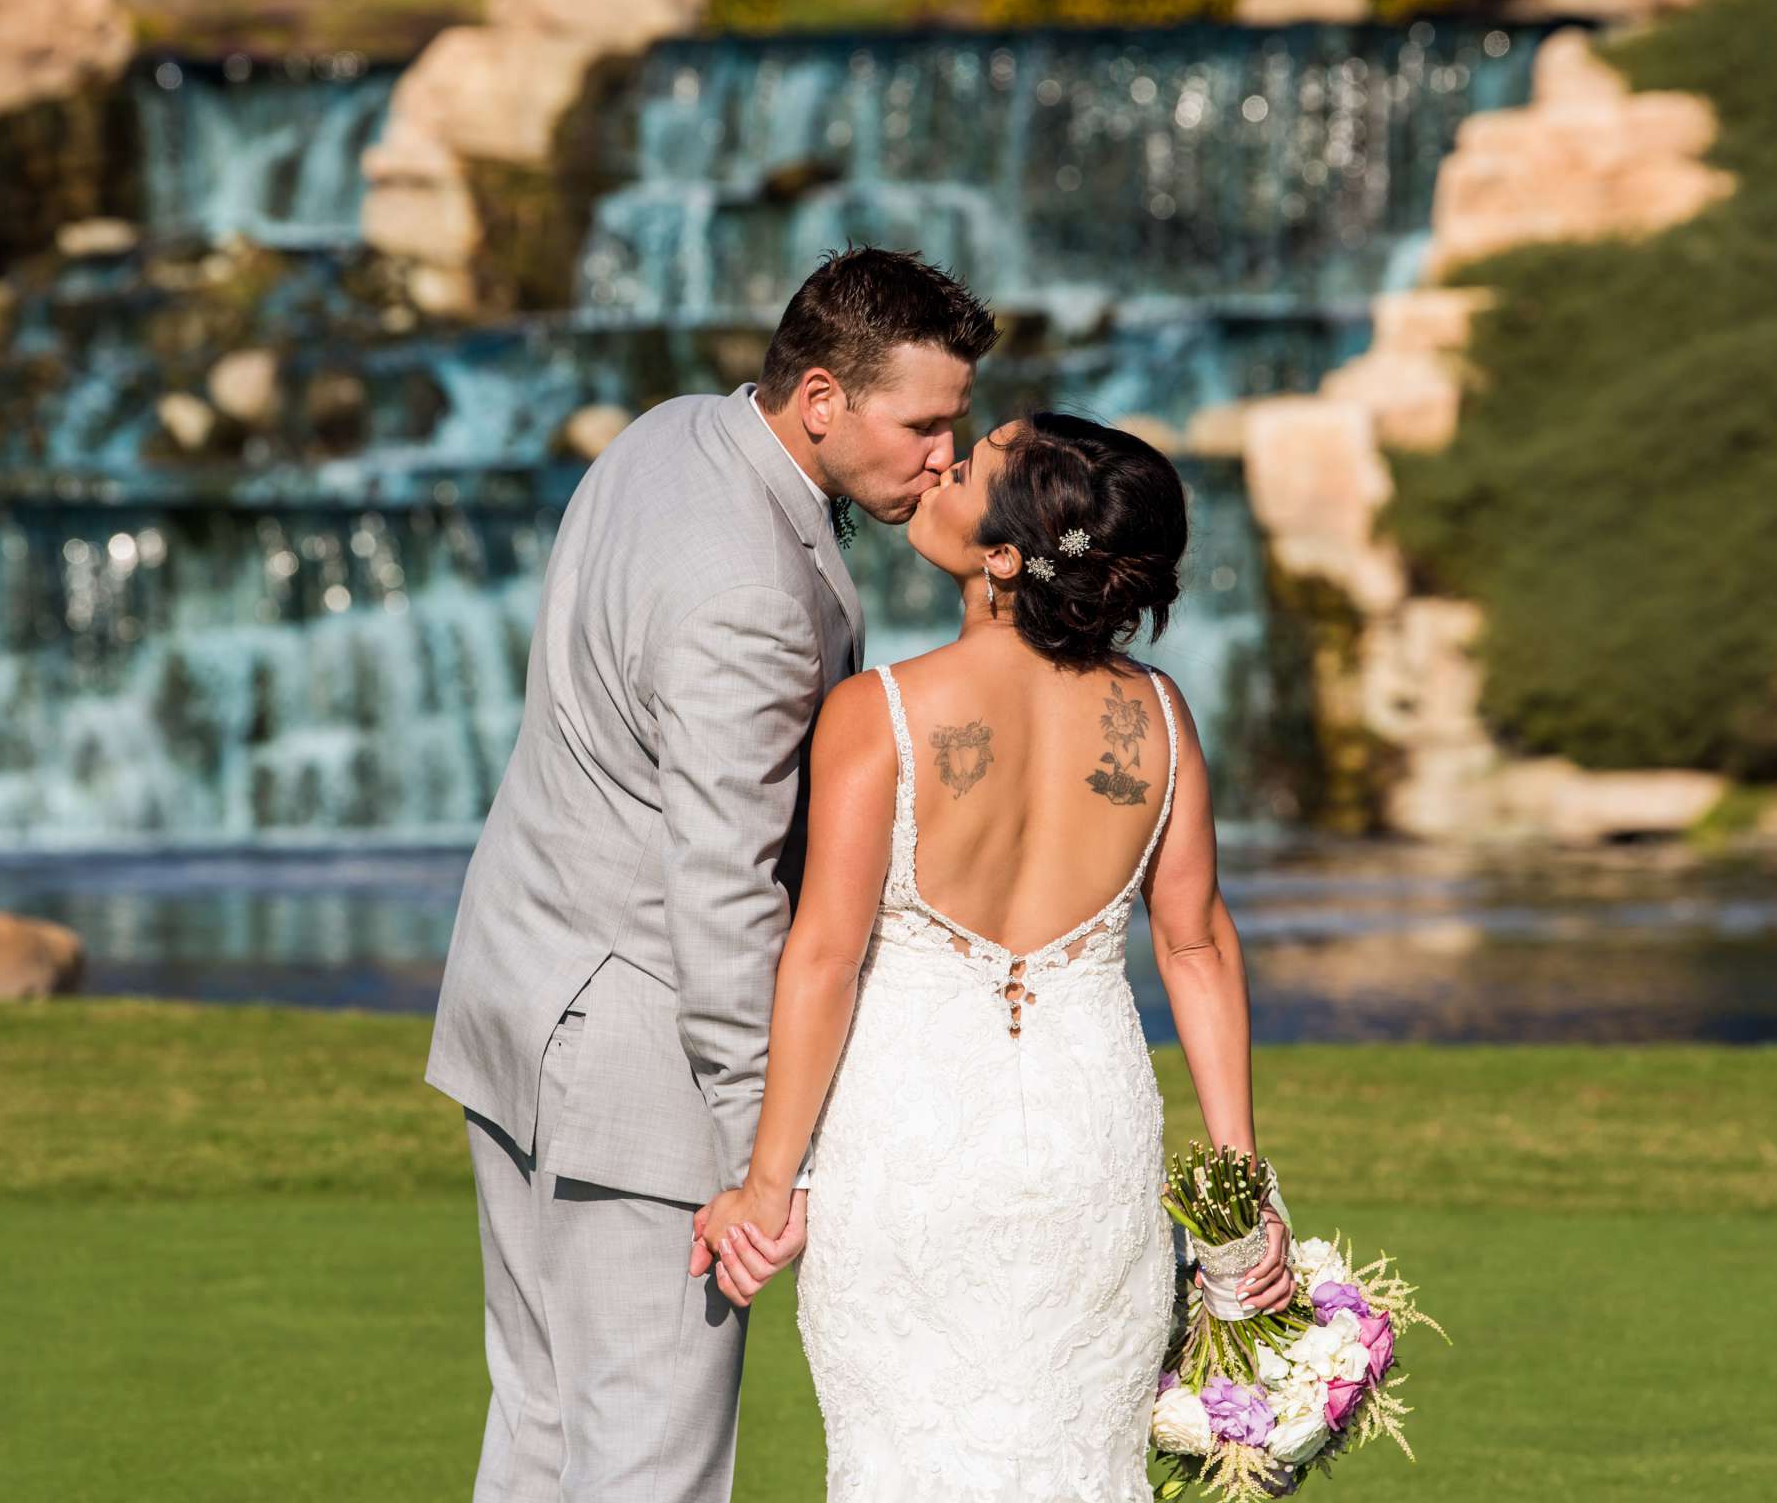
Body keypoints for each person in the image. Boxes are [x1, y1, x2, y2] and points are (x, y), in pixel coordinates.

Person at [425, 246, 997, 1501]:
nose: (947, 456)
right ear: (821, 400)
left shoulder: (675, 429)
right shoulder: (749, 594)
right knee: (648, 1466)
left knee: (538, 1427)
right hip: (630, 1068)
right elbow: (724, 892)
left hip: (516, 997)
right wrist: (763, 1162)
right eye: (926, 424)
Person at [693, 411, 1291, 1501]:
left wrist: (767, 1183)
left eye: (969, 468)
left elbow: (823, 958)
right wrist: (1236, 1187)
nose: (941, 466)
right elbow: (1196, 945)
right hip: (1089, 1142)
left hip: (908, 1147)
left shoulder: (877, 714)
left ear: (1005, 556)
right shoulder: (1161, 715)